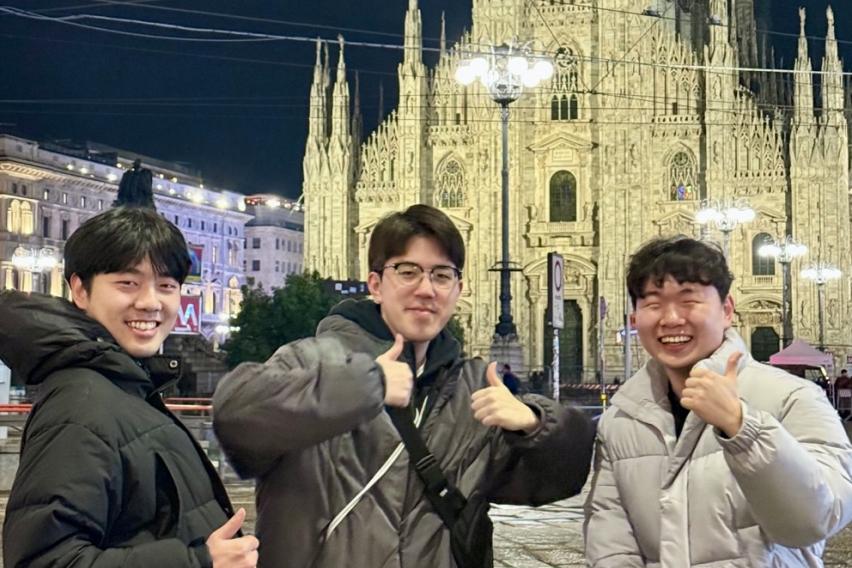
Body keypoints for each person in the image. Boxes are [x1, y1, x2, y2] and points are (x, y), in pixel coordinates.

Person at [213, 204, 595, 567]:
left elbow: (561, 478)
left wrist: (534, 423)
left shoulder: (474, 388)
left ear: (458, 290)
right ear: (376, 285)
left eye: (441, 275)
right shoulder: (312, 360)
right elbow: (236, 420)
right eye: (408, 272)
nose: (426, 289)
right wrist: (365, 385)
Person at [0, 207, 258, 568]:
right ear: (80, 289)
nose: (151, 302)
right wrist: (198, 561)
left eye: (167, 286)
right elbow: (44, 561)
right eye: (128, 283)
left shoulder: (126, 390)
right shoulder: (81, 408)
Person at [584, 236, 852, 567]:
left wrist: (743, 428)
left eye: (689, 301)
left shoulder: (794, 398)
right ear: (635, 319)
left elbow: (815, 520)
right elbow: (611, 547)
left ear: (727, 311)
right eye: (652, 303)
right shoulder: (622, 420)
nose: (670, 318)